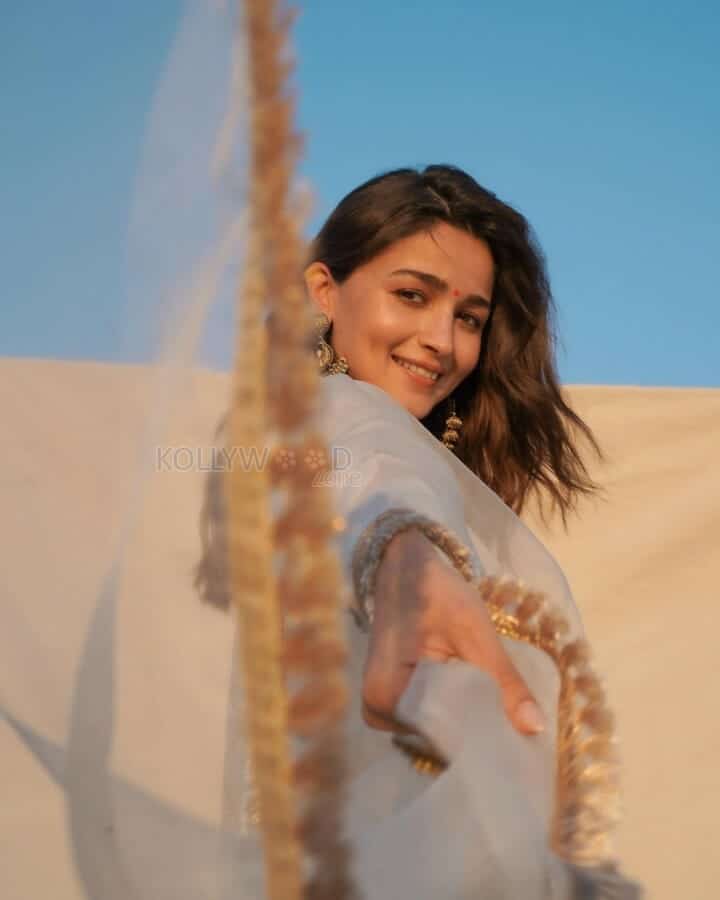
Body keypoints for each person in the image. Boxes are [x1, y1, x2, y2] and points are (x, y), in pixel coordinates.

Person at [197, 163, 642, 897]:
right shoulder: (336, 413)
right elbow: (369, 474)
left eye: (469, 318)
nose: (442, 339)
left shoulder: (414, 466)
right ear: (323, 291)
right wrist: (408, 562)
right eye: (412, 295)